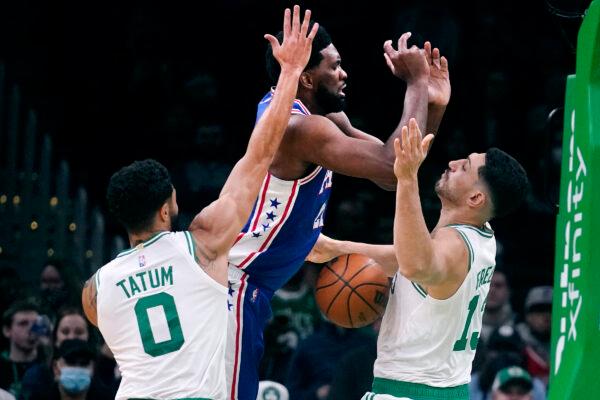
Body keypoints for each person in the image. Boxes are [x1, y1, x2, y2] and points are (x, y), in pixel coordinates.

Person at [80, 6, 318, 399]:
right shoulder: (203, 245)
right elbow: (258, 157)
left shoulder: (94, 290)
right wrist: (290, 72)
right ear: (165, 208)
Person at [226, 16, 451, 400]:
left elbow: (393, 174)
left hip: (254, 284)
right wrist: (415, 83)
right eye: (334, 66)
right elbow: (392, 165)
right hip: (233, 282)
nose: (344, 74)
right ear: (307, 79)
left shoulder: (324, 117)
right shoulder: (300, 130)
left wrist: (433, 103)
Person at [308, 119, 529, 399]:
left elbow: (415, 264)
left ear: (475, 198)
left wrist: (407, 178)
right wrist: (337, 248)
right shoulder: (481, 235)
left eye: (465, 167)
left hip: (410, 391)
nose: (453, 162)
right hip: (445, 389)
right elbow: (411, 259)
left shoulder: (455, 245)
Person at [0, 301, 40, 398]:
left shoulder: (50, 366)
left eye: (36, 323)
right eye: (23, 323)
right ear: (7, 330)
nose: (31, 329)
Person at [516, 286, 552, 384]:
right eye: (539, 310)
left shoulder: (568, 340)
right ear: (527, 315)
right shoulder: (516, 340)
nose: (546, 316)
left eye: (551, 310)